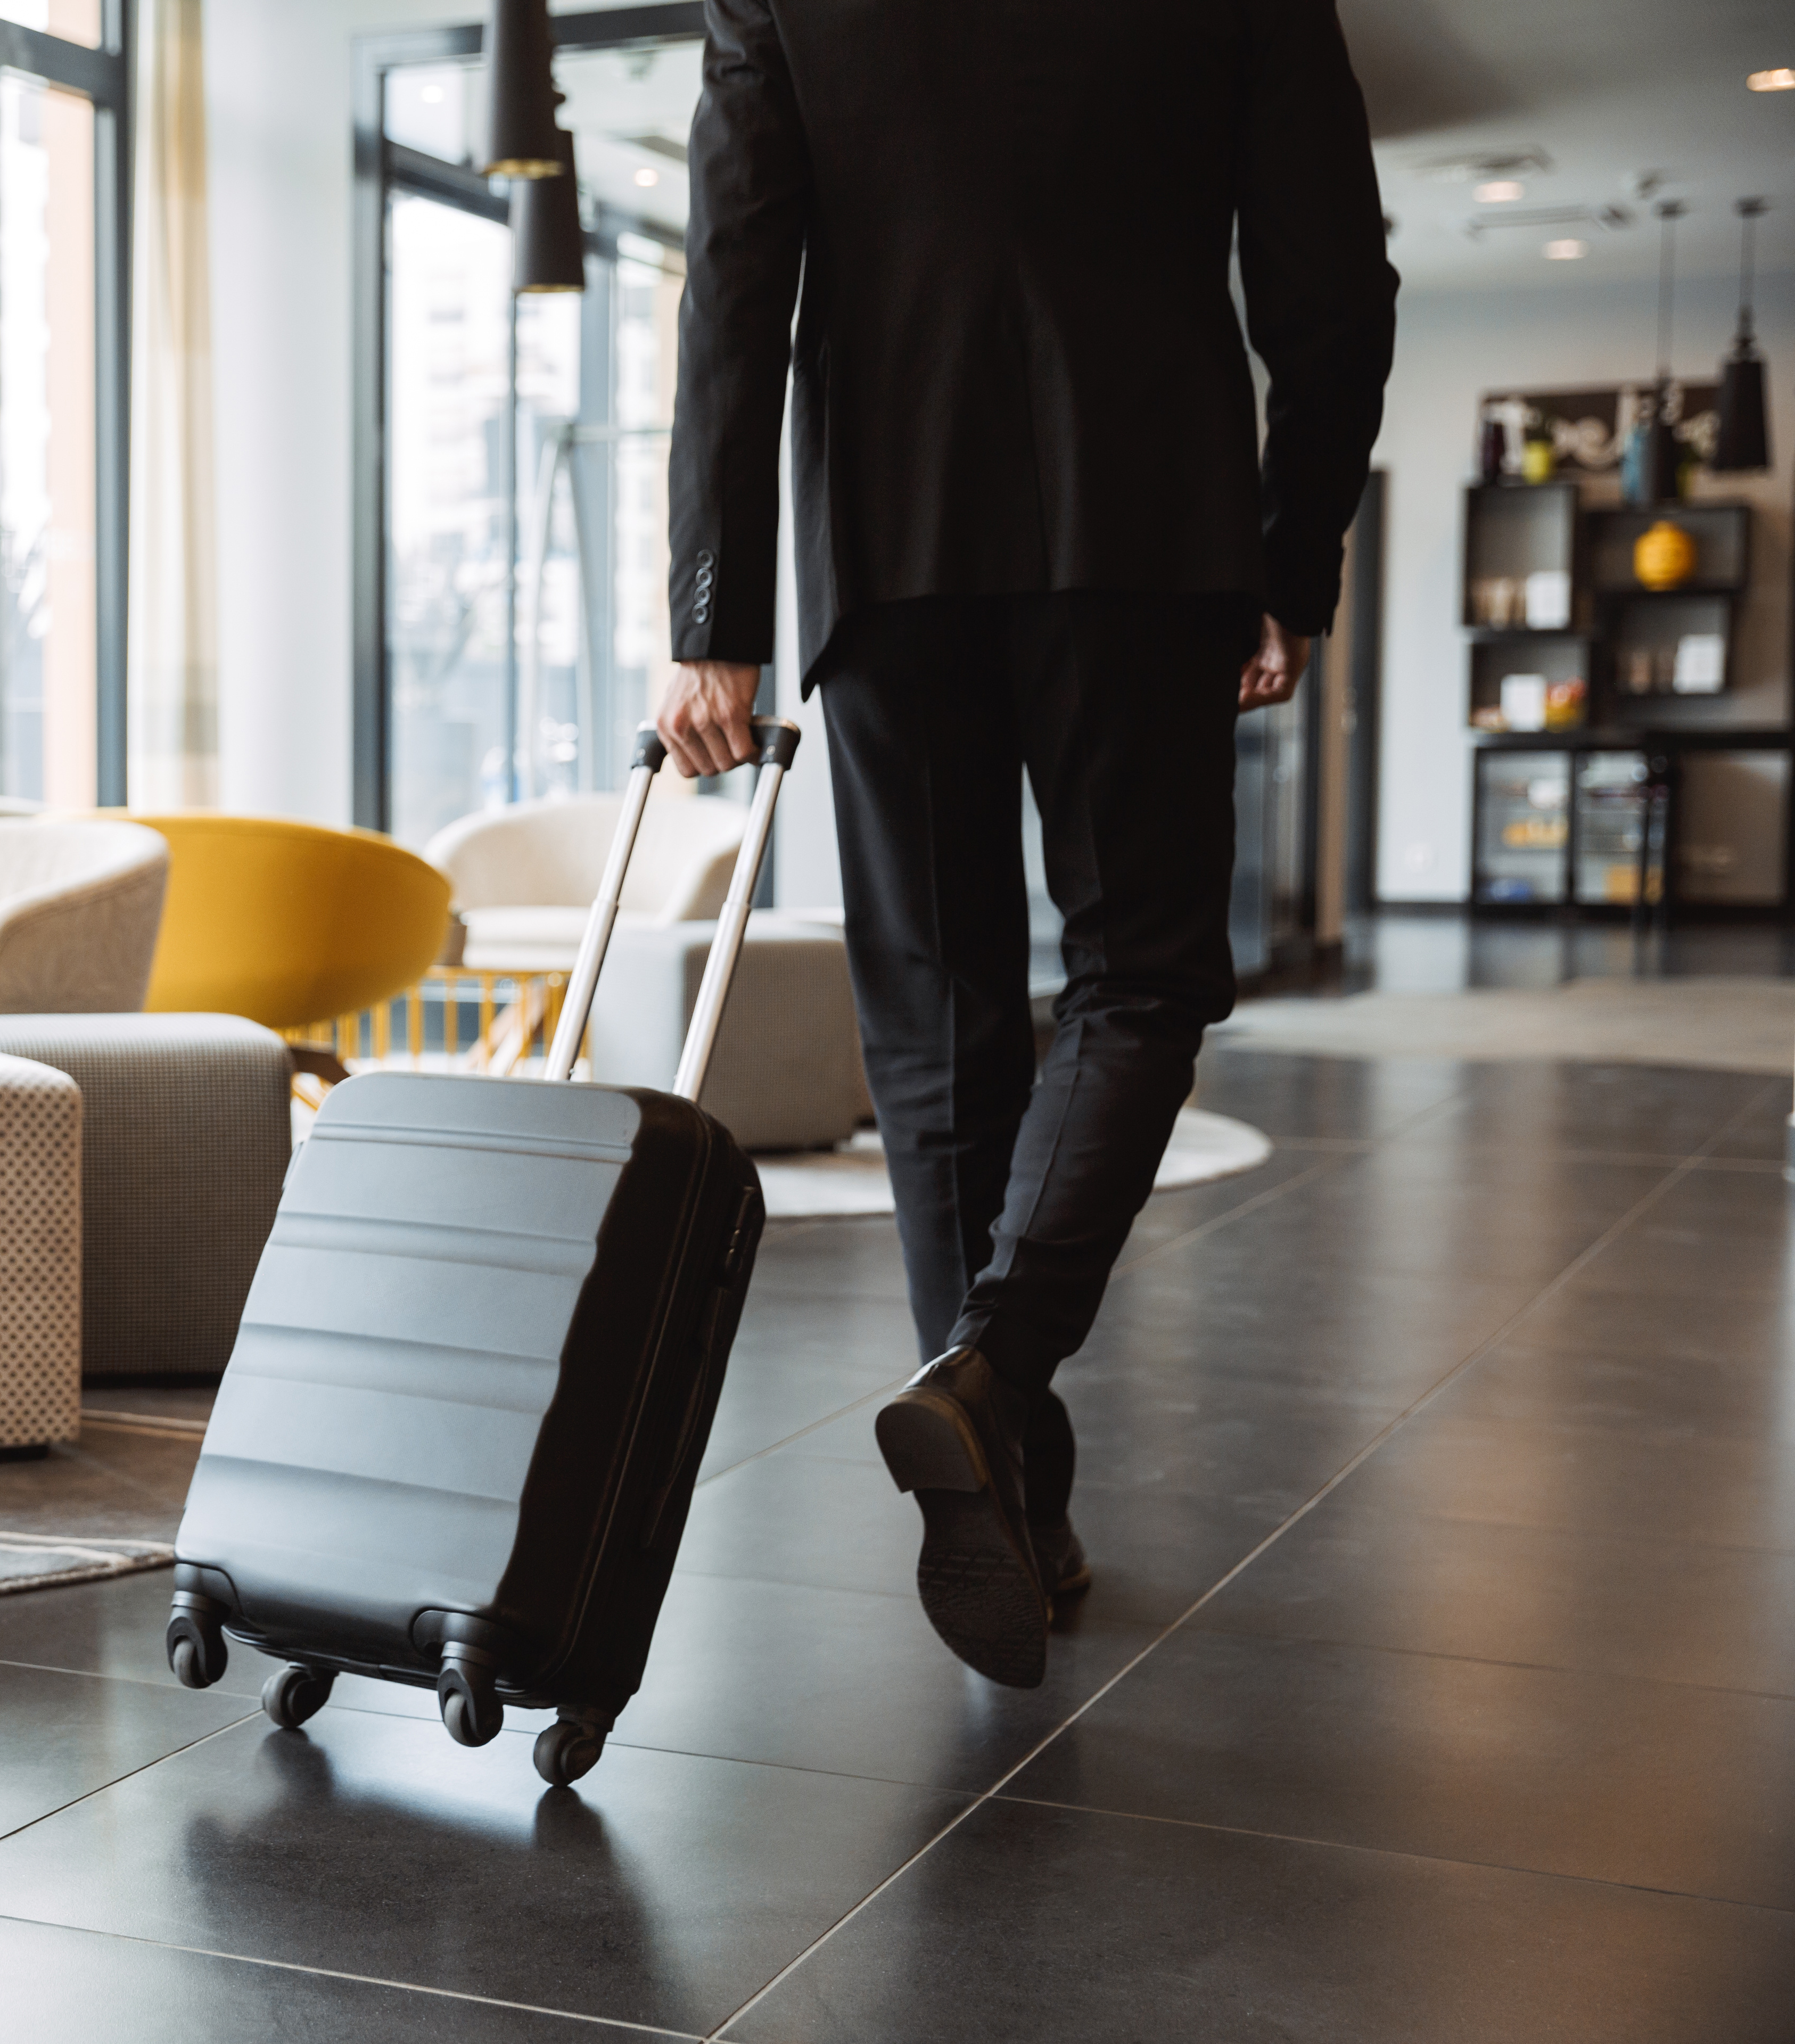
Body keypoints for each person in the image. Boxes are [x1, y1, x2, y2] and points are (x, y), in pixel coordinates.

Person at [657, 0, 1396, 1687]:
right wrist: (1294, 558)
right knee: (1143, 974)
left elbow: (734, 291)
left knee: (937, 1025)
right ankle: (991, 1375)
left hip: (885, 544)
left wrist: (717, 612)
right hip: (1147, 531)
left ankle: (1016, 1492)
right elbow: (1336, 286)